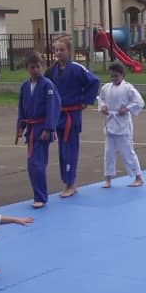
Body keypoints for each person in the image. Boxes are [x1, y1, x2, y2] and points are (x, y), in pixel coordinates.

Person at [45, 35, 100, 198]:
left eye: (62, 50)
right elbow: (45, 88)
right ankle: (67, 182)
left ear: (69, 51)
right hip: (58, 114)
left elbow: (94, 81)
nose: (58, 53)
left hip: (72, 115)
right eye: (56, 50)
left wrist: (85, 101)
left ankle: (70, 183)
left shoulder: (76, 68)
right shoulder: (51, 70)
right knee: (62, 150)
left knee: (70, 149)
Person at [17, 52, 61, 208]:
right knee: (32, 164)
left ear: (41, 66)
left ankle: (41, 197)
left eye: (37, 66)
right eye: (32, 67)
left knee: (36, 163)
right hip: (31, 128)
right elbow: (21, 108)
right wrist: (20, 126)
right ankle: (39, 195)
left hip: (42, 128)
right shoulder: (24, 86)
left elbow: (53, 106)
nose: (35, 70)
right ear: (27, 68)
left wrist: (49, 128)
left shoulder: (47, 85)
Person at [97, 62, 145, 188]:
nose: (113, 79)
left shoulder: (128, 88)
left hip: (123, 124)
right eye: (112, 76)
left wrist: (127, 108)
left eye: (116, 76)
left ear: (123, 75)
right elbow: (100, 99)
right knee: (108, 153)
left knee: (128, 152)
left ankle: (138, 177)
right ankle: (108, 178)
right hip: (110, 123)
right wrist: (103, 107)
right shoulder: (106, 87)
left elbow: (139, 102)